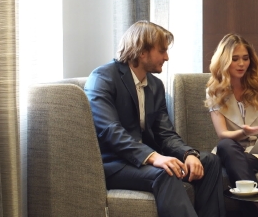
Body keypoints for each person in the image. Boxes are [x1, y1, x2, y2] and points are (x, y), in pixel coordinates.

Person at [84, 21, 225, 217]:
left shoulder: (155, 85)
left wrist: (188, 154)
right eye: (162, 51)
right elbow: (110, 130)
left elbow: (165, 134)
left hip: (146, 160)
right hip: (114, 163)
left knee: (209, 161)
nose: (166, 57)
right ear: (143, 52)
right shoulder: (103, 77)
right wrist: (154, 158)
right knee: (166, 173)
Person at [206, 33, 258, 217]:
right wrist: (244, 132)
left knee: (235, 163)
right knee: (225, 146)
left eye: (245, 58)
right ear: (224, 61)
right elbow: (222, 134)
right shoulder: (214, 90)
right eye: (235, 59)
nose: (242, 64)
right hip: (232, 148)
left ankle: (256, 209)